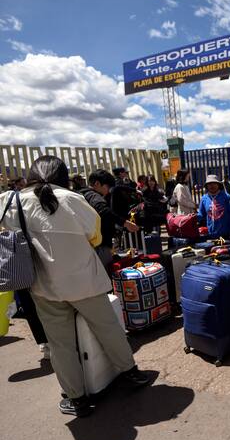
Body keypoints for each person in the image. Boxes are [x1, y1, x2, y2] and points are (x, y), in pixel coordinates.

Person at [0, 156, 150, 417]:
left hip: (43, 287)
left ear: (32, 174)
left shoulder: (10, 201)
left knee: (61, 345)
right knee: (108, 328)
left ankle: (77, 399)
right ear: (62, 175)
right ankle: (131, 374)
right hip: (85, 282)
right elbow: (95, 235)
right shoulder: (73, 199)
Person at [81, 169, 139, 271]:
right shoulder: (94, 196)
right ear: (97, 184)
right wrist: (125, 223)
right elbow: (104, 211)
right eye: (107, 187)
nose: (108, 191)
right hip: (100, 246)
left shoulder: (81, 195)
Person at [197, 175, 230, 242]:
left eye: (214, 183)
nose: (212, 186)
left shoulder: (227, 197)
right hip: (210, 235)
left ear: (218, 185)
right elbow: (201, 215)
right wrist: (192, 218)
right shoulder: (204, 198)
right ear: (206, 186)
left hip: (225, 234)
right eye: (209, 184)